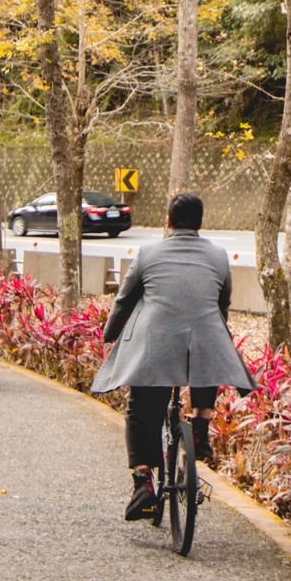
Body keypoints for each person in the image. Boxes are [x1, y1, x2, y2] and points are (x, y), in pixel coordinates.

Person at [90, 191, 253, 521]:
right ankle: (201, 429)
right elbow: (222, 304)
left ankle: (142, 485)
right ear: (201, 224)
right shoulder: (219, 256)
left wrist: (110, 333)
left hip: (157, 345)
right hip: (204, 341)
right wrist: (219, 330)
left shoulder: (149, 253)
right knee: (209, 352)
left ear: (167, 222)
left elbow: (124, 300)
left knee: (140, 409)